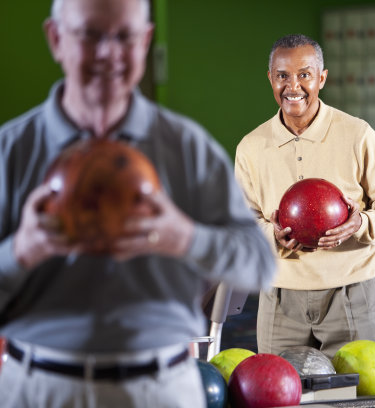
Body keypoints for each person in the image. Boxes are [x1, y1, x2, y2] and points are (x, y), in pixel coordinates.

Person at [0, 0, 275, 406]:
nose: (109, 53)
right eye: (90, 34)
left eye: (125, 36)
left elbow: (259, 263)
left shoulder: (187, 149)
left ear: (146, 41)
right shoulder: (10, 150)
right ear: (56, 39)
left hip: (159, 389)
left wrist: (184, 237)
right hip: (39, 388)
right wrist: (22, 249)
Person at [234, 34, 375, 359]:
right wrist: (273, 236)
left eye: (304, 74)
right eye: (282, 75)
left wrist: (359, 224)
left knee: (352, 397)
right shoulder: (251, 147)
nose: (292, 85)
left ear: (321, 78)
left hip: (350, 292)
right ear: (271, 78)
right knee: (280, 396)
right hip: (280, 296)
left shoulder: (358, 135)